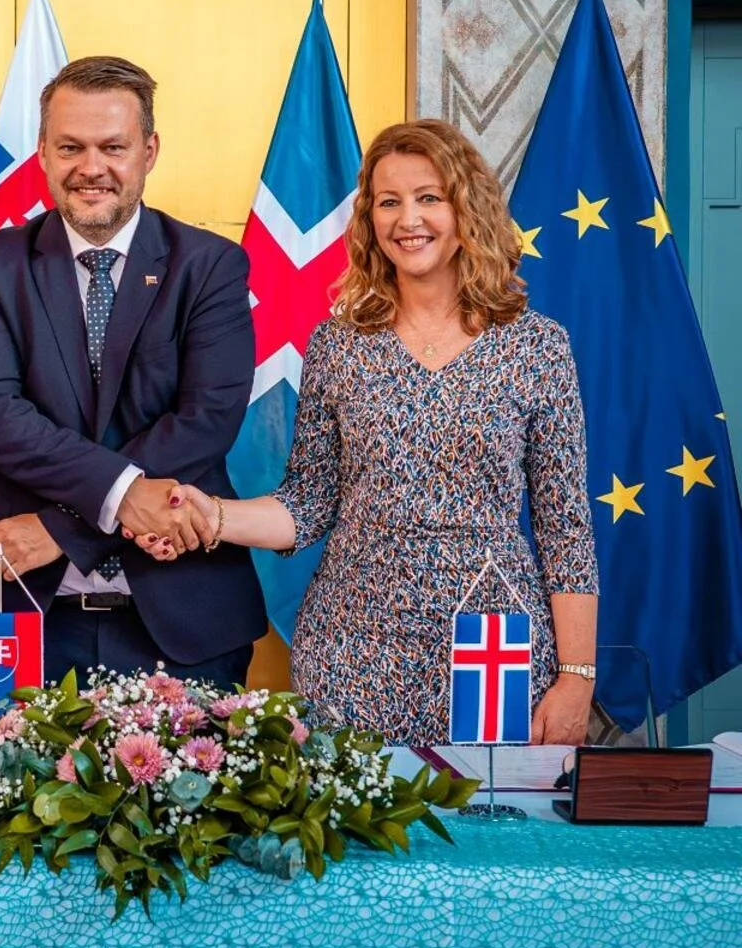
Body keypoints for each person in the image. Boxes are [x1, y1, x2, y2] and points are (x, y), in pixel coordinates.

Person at [138, 119, 598, 745]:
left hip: (492, 643)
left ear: (468, 210)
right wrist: (208, 514)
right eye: (389, 202)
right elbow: (307, 503)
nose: (408, 219)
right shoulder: (339, 346)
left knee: (497, 836)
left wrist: (577, 677)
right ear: (370, 221)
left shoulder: (538, 346)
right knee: (362, 839)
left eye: (428, 197)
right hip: (353, 647)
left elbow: (565, 526)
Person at [0, 55, 268, 687]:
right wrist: (123, 495)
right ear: (41, 152)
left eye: (112, 147)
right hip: (25, 617)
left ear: (149, 151)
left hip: (184, 618)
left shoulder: (210, 266)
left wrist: (65, 530)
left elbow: (207, 420)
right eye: (70, 146)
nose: (91, 168)